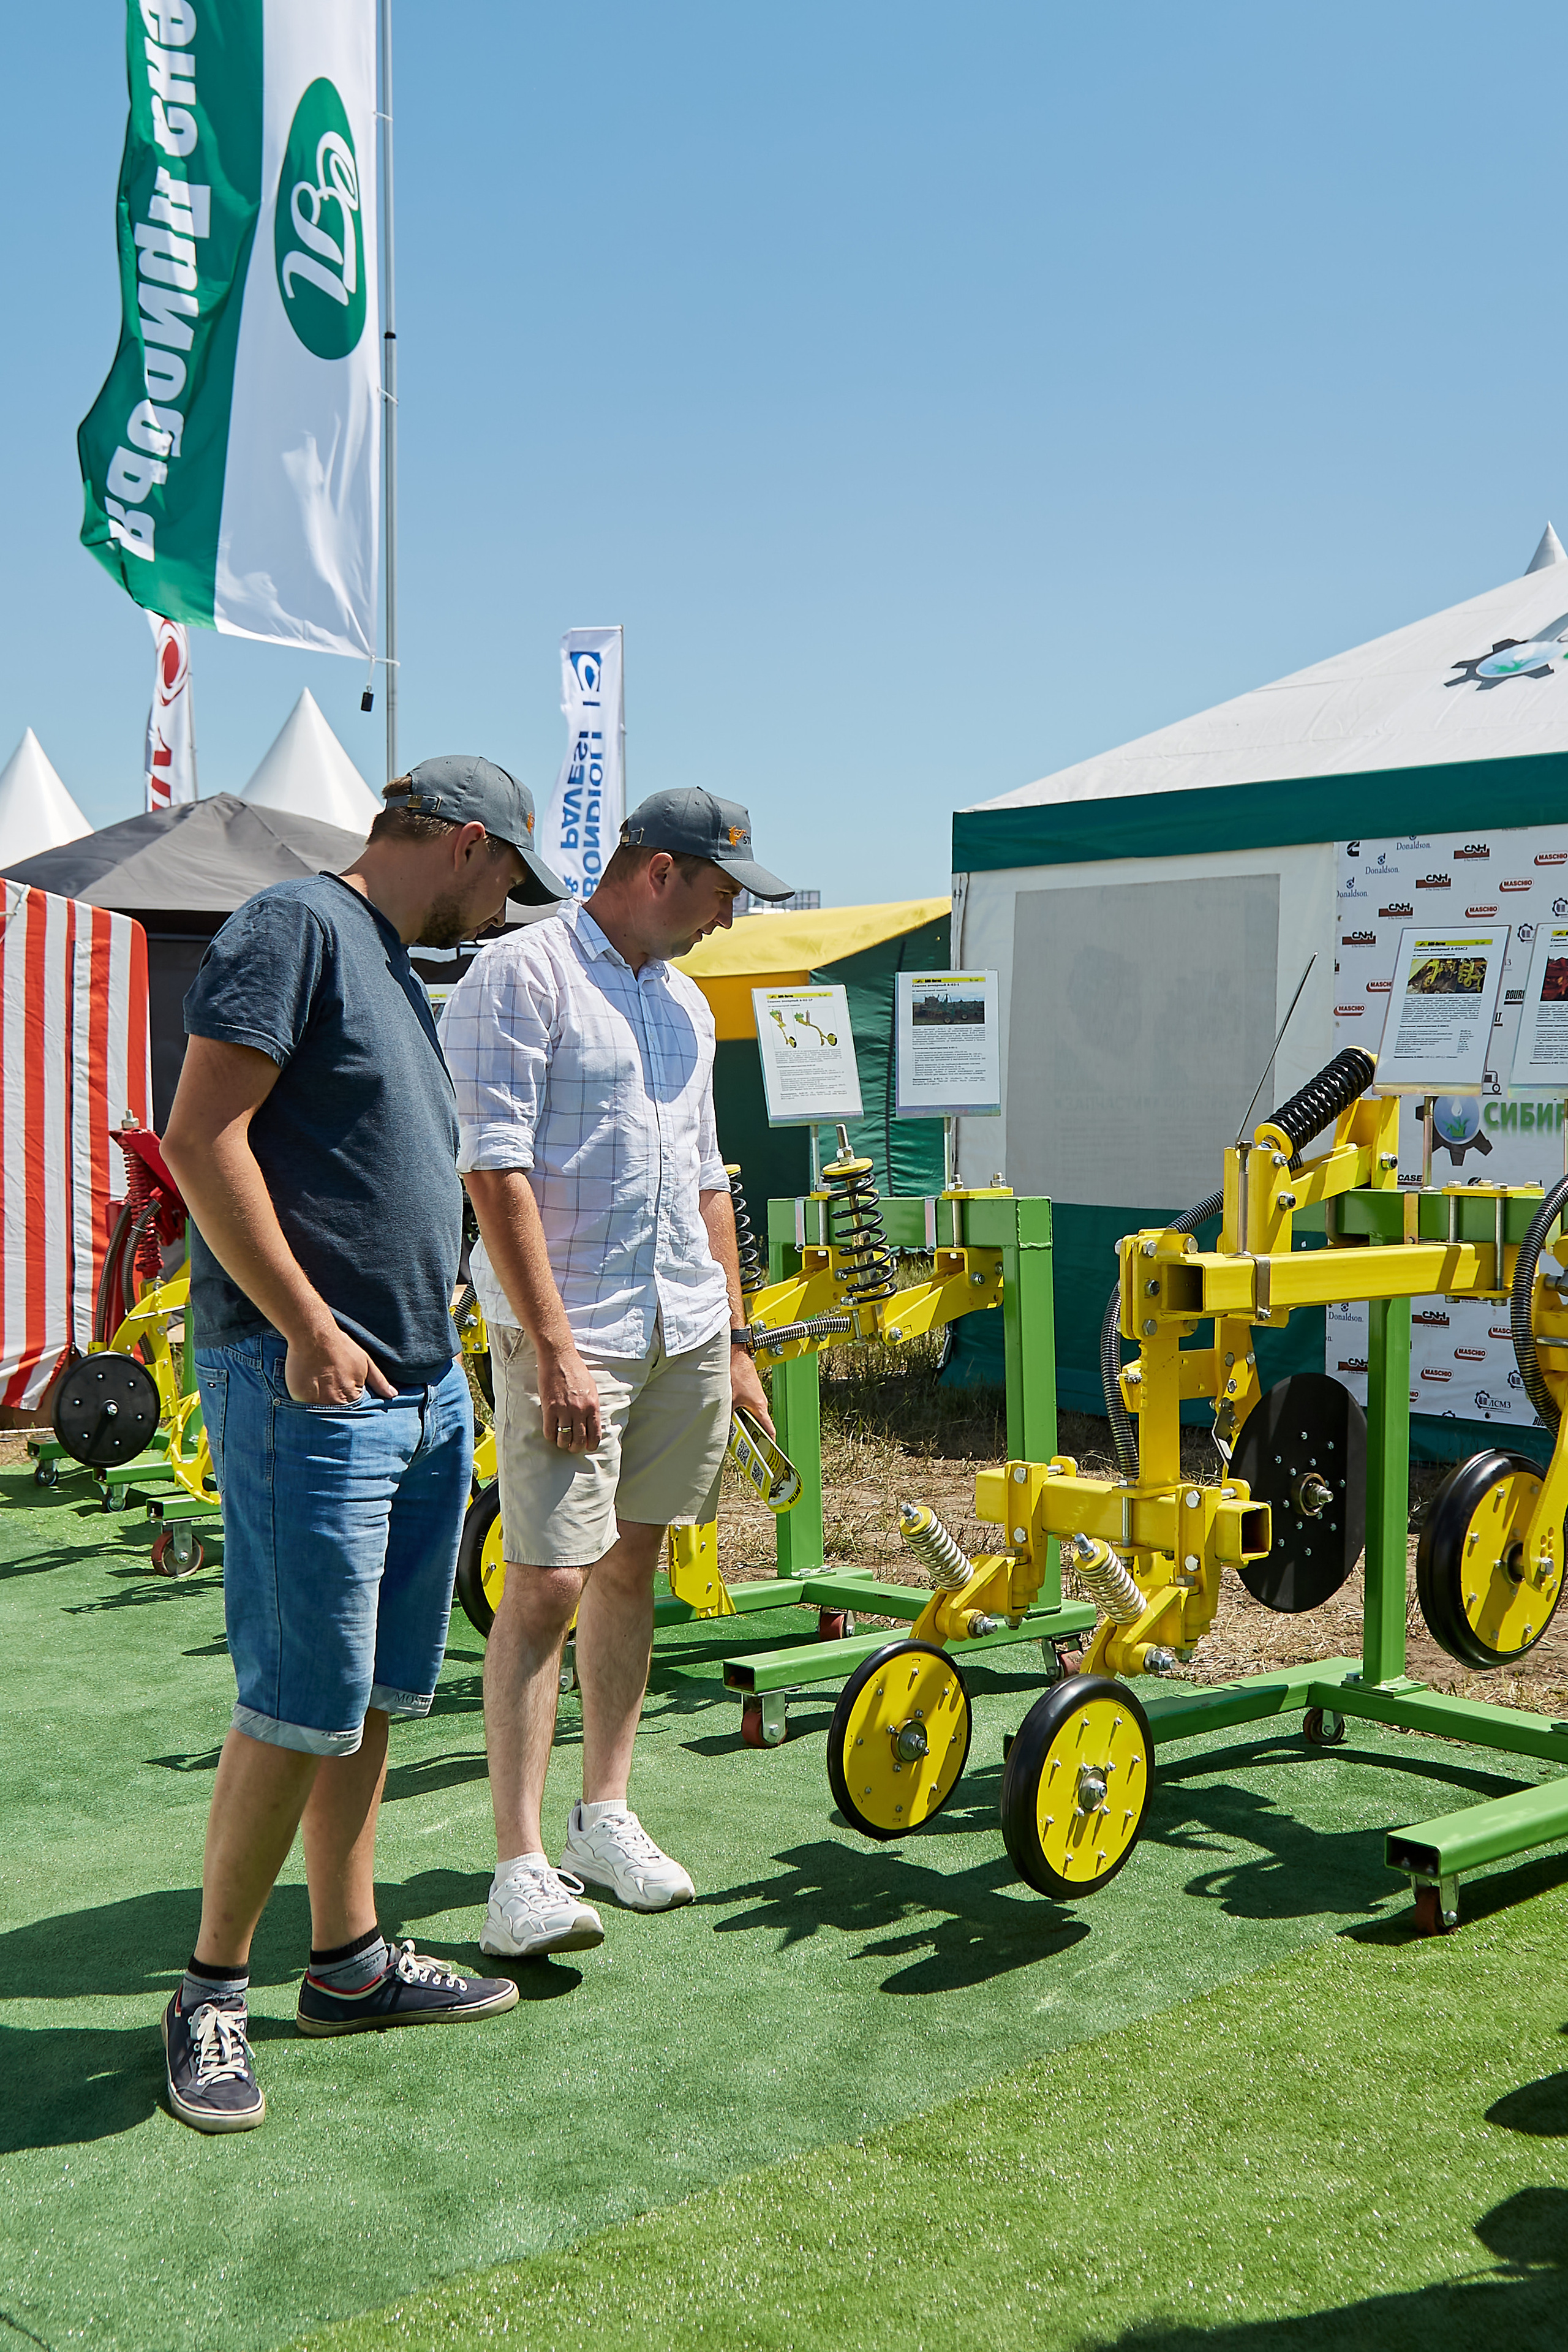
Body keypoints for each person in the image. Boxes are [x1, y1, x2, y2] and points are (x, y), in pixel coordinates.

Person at [157, 756, 567, 2135]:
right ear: (464, 844)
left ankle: (347, 1961)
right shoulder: (293, 926)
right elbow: (199, 1136)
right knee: (295, 1697)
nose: (507, 909)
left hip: (415, 1385)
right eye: (507, 877)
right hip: (312, 1385)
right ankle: (212, 1990)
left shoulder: (389, 958)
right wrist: (305, 1325)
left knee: (376, 1694)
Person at [440, 789, 791, 1959]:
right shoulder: (521, 974)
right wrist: (551, 1349)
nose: (727, 920)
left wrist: (735, 1340)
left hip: (680, 1324)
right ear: (657, 871)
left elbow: (706, 1180)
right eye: (722, 894)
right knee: (544, 1582)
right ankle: (518, 1868)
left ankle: (605, 1816)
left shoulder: (685, 1002)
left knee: (635, 1563)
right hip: (574, 1332)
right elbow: (493, 1174)